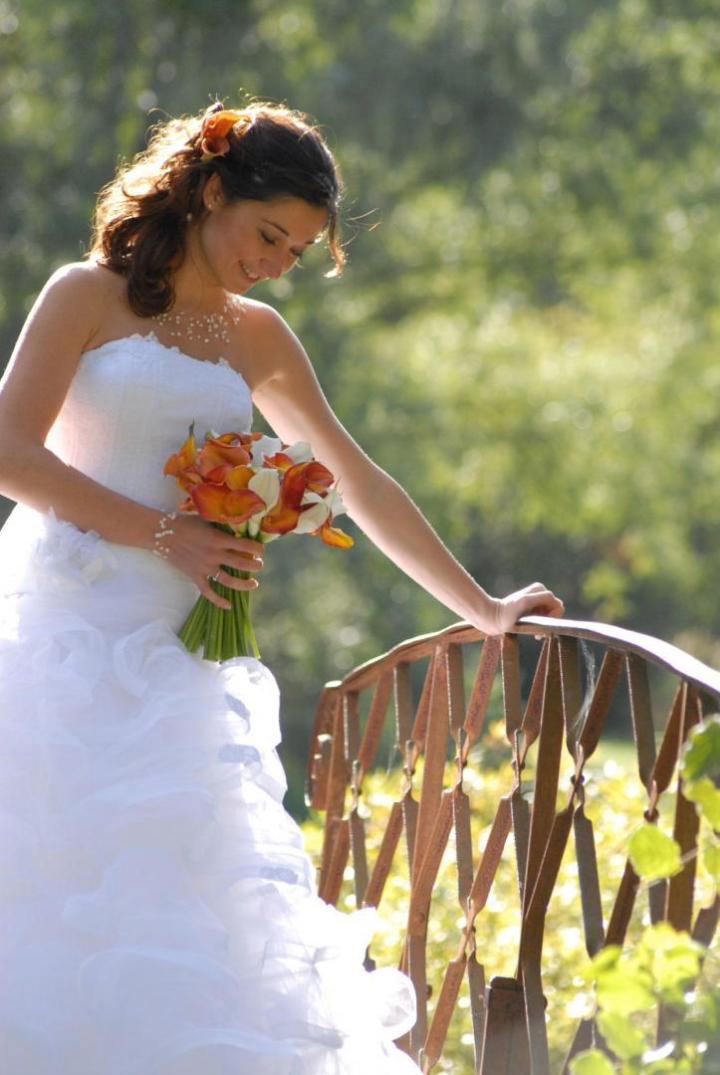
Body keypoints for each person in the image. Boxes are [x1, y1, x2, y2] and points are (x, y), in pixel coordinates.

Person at [0, 101, 564, 1074]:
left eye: (296, 253)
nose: (274, 263)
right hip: (60, 650)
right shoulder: (83, 297)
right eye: (269, 234)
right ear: (210, 189)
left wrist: (485, 609)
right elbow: (8, 450)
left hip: (180, 674)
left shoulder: (256, 337)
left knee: (194, 928)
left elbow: (357, 476)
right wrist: (165, 533)